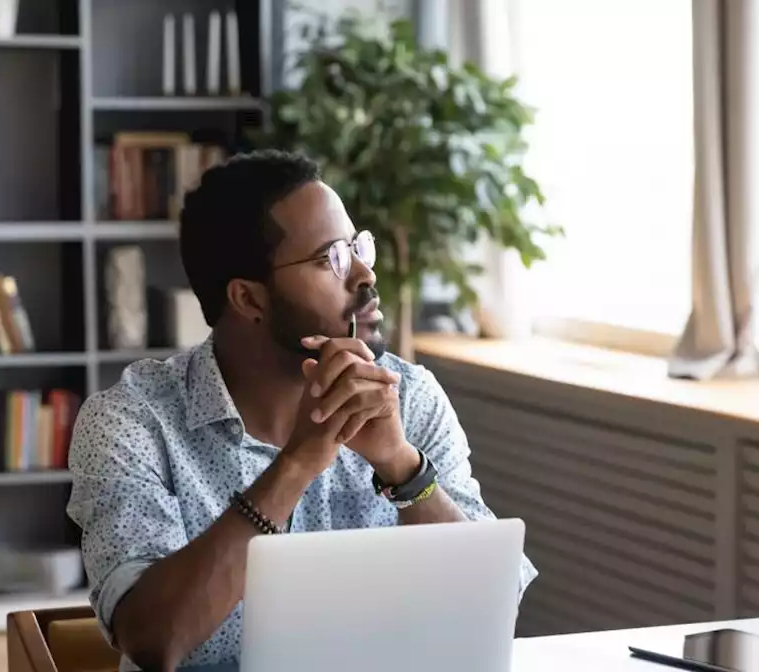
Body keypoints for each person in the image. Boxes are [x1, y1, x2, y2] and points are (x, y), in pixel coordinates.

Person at [66, 149, 537, 671]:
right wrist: (296, 464)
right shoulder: (132, 422)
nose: (364, 275)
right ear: (248, 299)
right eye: (329, 259)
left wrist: (403, 469)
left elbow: (499, 601)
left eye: (359, 248)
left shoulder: (411, 397)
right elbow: (154, 642)